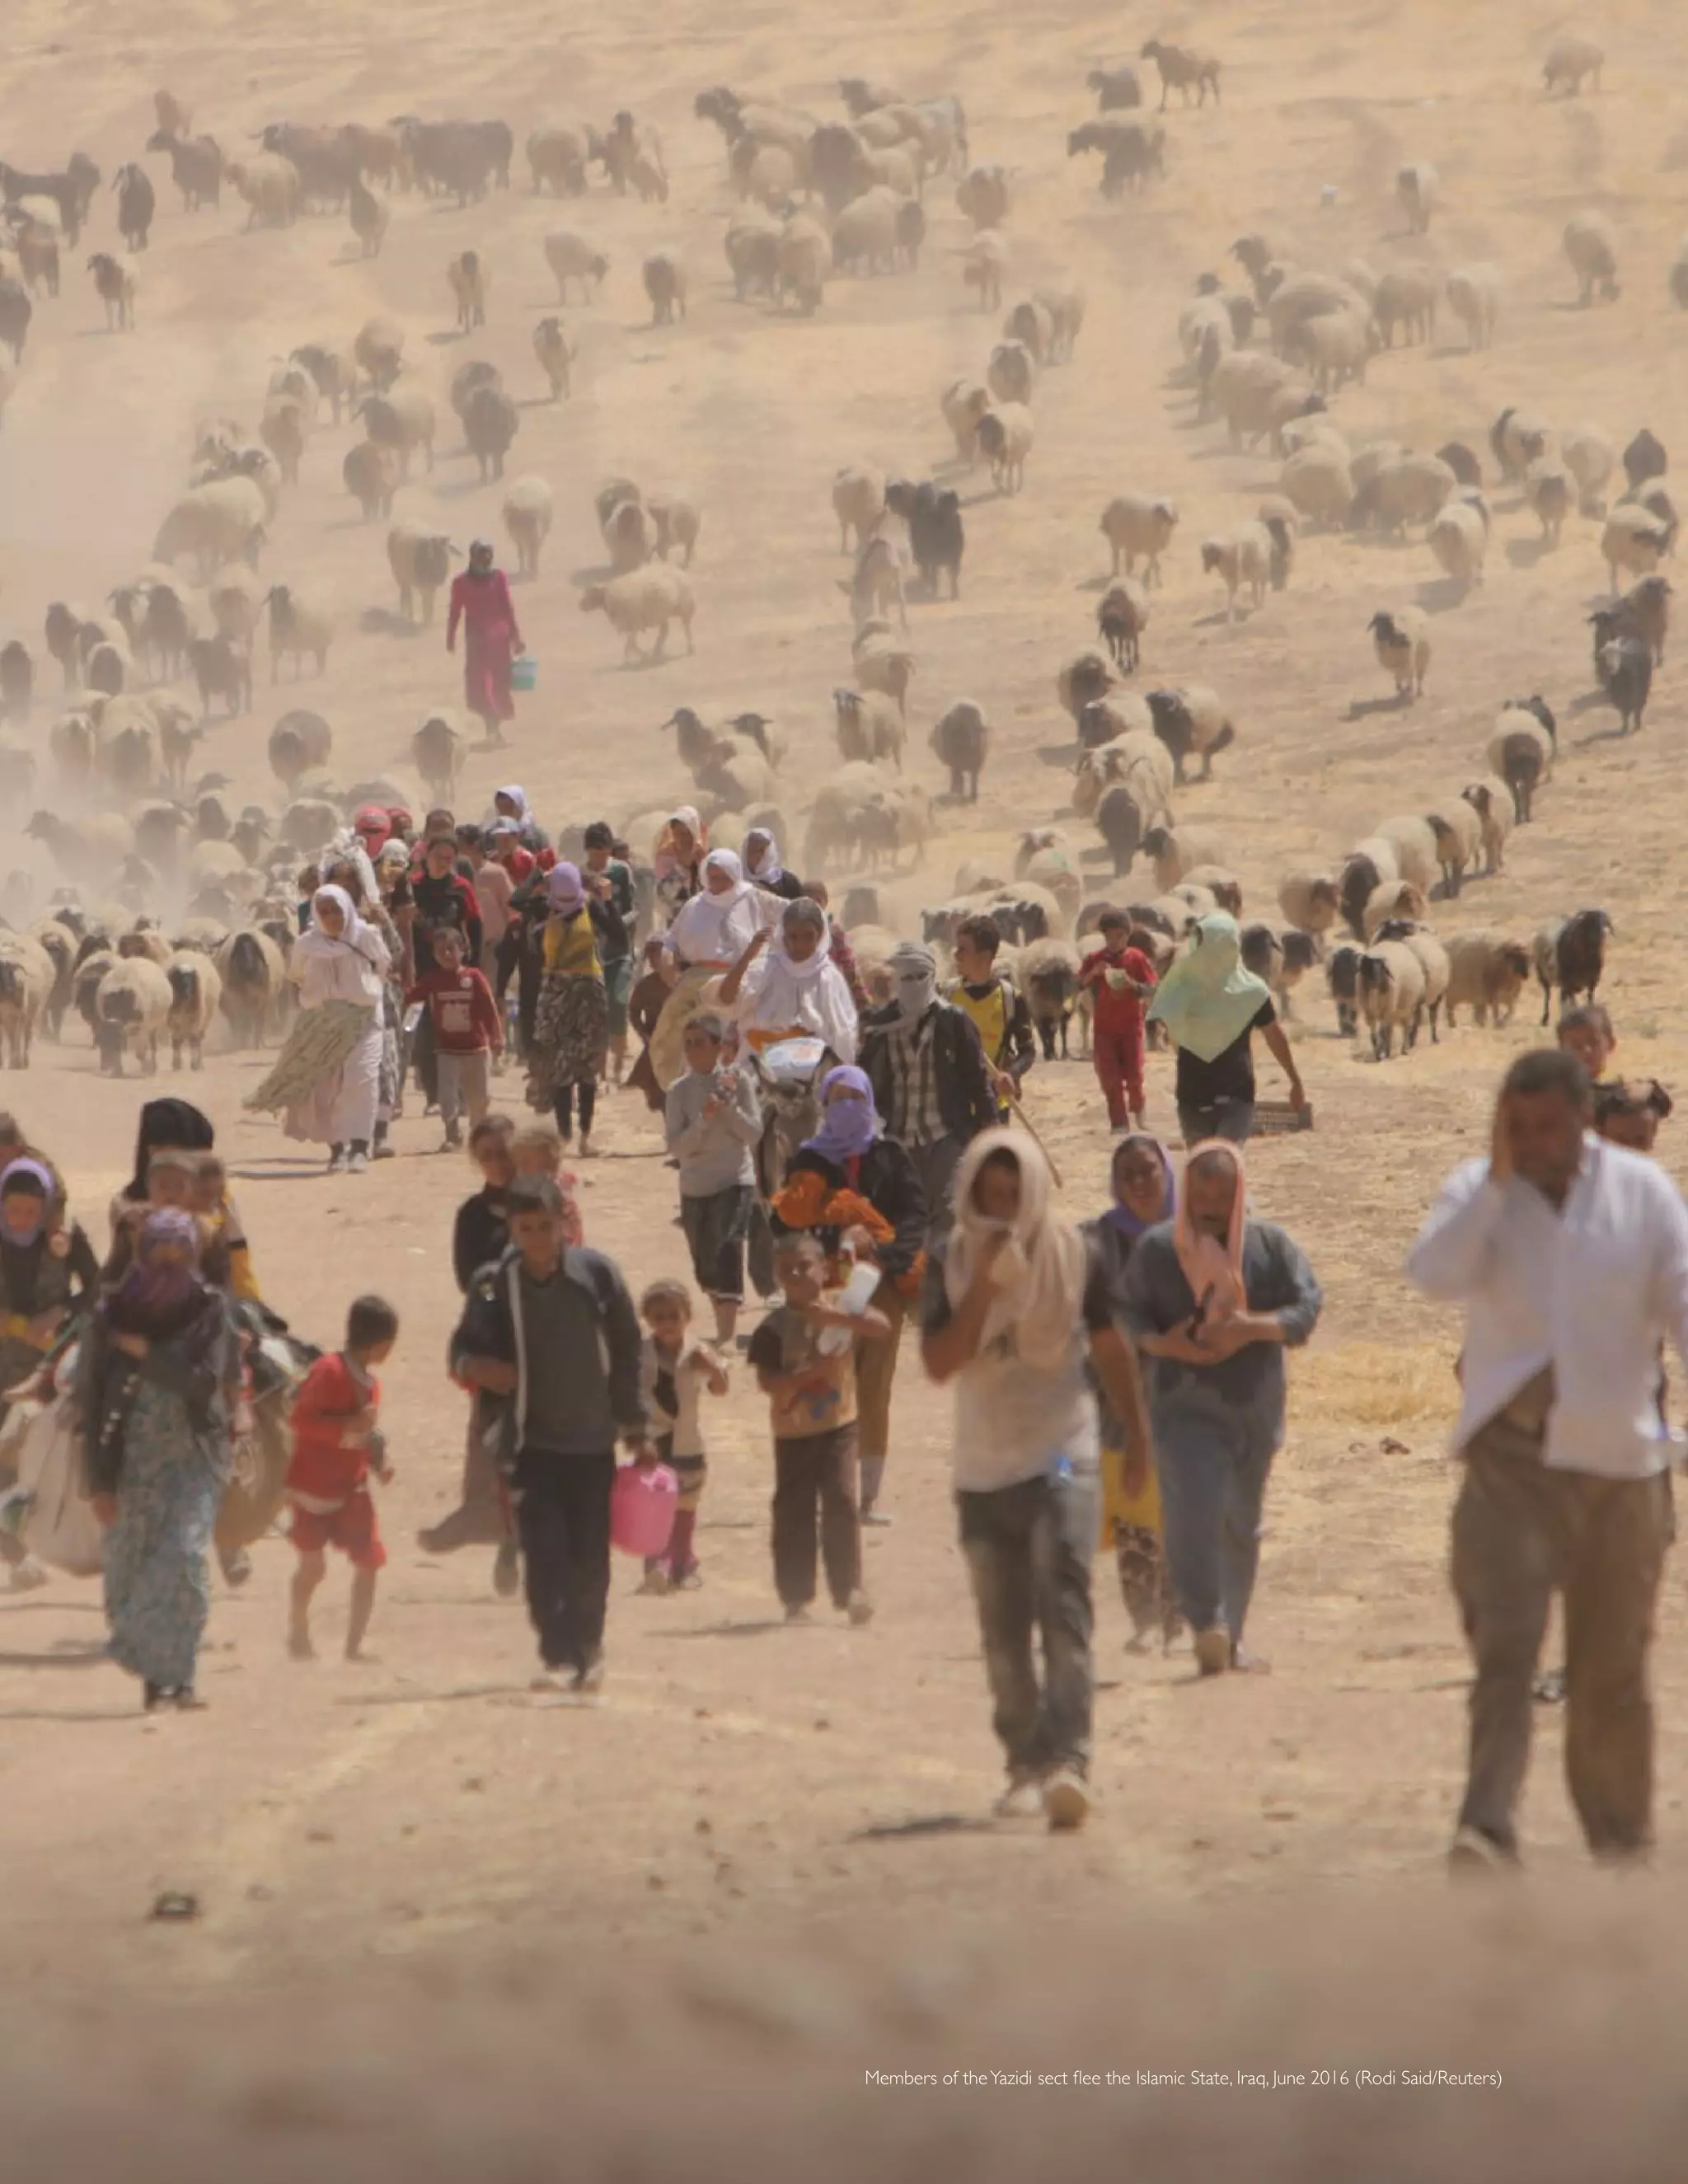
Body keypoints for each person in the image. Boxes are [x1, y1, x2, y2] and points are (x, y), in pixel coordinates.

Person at [1407, 1049, 1688, 1872]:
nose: (1530, 1143)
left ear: (1580, 1121)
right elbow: (1432, 1273)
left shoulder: (1639, 1194)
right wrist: (1494, 1181)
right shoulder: (1475, 1191)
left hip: (1614, 1461)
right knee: (1504, 1646)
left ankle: (1618, 1842)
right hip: (1509, 1463)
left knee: (1609, 1670)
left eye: (1544, 1128)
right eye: (1514, 1127)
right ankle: (1484, 1826)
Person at [921, 1132, 1154, 1830]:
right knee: (1002, 1627)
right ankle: (1023, 1763)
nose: (1003, 1209)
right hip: (985, 1465)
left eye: (1013, 1194)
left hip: (1062, 1456)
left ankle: (1069, 1762)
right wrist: (984, 1292)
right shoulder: (952, 1262)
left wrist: (1138, 1438)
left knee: (1064, 1602)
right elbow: (940, 1363)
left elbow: (1112, 1351)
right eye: (989, 1196)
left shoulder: (1077, 1256)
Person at [1122, 1141, 1324, 1677]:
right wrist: (1169, 1345)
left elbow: (1307, 1308)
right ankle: (1206, 1621)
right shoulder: (1159, 1251)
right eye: (1202, 1193)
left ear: (1239, 1195)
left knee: (1241, 1525)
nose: (1210, 1206)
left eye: (1222, 1194)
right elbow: (1126, 1316)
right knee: (1194, 1513)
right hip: (1183, 1410)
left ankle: (1232, 1638)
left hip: (1254, 1411)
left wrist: (1249, 1330)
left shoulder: (1269, 1247)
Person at [452, 1174, 656, 1695]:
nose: (539, 1239)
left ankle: (590, 1647)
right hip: (531, 1444)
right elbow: (460, 1350)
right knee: (543, 1553)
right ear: (513, 1231)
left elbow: (629, 1349)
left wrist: (635, 1425)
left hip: (592, 1442)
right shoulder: (495, 1285)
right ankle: (557, 1648)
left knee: (590, 1556)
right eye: (526, 1229)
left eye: (547, 1227)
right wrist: (482, 1367)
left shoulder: (597, 1276)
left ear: (564, 1224)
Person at [82, 1210, 238, 1712]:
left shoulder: (209, 1311)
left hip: (192, 1456)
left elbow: (203, 1383)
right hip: (132, 1462)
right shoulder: (111, 1314)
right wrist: (100, 1482)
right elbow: (92, 1397)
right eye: (159, 1255)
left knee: (185, 1560)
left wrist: (148, 1353)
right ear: (142, 1252)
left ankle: (182, 1675)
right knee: (132, 1571)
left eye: (180, 1256)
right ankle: (156, 1681)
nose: (169, 1267)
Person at [772, 1066, 926, 1524]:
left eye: (854, 1098)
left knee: (875, 1390)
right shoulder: (808, 1161)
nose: (846, 1108)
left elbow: (916, 1219)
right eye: (836, 1098)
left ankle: (869, 1498)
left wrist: (878, 1249)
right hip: (826, 1292)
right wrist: (835, 1233)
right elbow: (784, 1222)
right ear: (822, 1103)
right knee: (824, 1385)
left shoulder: (891, 1155)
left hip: (882, 1288)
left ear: (870, 1101)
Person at [747, 1234, 884, 1627]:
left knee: (841, 1499)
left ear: (824, 1268)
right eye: (785, 1268)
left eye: (804, 1265)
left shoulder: (841, 1309)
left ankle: (850, 1589)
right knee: (794, 1509)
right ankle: (795, 1596)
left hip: (840, 1424)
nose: (795, 1274)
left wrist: (838, 1319)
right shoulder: (773, 1328)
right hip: (792, 1432)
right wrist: (812, 1375)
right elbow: (770, 1384)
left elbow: (882, 1326)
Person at [1084, 1134, 1180, 1650]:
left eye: (1149, 1171)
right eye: (1129, 1175)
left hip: (1185, 1395)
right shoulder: (1098, 1240)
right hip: (1120, 1398)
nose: (1141, 1183)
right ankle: (1145, 1620)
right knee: (1135, 1508)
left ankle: (1179, 1620)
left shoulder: (1195, 1236)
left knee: (1183, 1511)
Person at [422, 1118, 521, 1586]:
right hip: (493, 1339)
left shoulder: (543, 1199)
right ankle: (495, 1529)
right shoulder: (473, 1216)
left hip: (543, 1333)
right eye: (488, 1155)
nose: (498, 1163)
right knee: (493, 1438)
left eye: (504, 1152)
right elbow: (469, 1279)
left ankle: (513, 1540)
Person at [0, 1160, 99, 1593]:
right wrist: (21, 1328)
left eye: (29, 1210)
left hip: (56, 1359)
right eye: (12, 1210)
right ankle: (17, 1558)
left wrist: (64, 1313)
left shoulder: (68, 1237)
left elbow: (98, 1289)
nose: (20, 1219)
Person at [285, 1295, 399, 1663]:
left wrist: (378, 1462)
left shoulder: (371, 1384)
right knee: (312, 1569)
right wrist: (345, 1427)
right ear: (379, 1343)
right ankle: (297, 1630)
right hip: (311, 1489)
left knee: (369, 1562)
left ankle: (354, 1646)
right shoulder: (328, 1373)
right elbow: (301, 1421)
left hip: (351, 1487)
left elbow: (365, 1436)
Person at [858, 940, 998, 1236]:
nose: (914, 985)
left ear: (932, 977)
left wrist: (990, 1127)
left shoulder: (954, 1021)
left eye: (920, 976)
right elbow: (866, 1080)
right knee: (903, 1221)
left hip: (944, 1136)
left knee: (948, 1216)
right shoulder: (878, 1026)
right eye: (906, 978)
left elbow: (976, 1079)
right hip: (896, 1139)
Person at [250, 884, 390, 1174]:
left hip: (363, 1017)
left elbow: (382, 965)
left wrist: (358, 990)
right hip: (323, 1019)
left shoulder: (366, 935)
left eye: (336, 910)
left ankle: (361, 1146)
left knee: (361, 1078)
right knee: (327, 1084)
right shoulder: (307, 944)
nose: (331, 917)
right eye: (324, 911)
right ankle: (337, 1148)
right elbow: (297, 975)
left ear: (347, 909)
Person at [1147, 911, 1306, 1147]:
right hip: (1192, 1096)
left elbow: (1273, 1034)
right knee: (1203, 1167)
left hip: (1235, 1096)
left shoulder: (1251, 992)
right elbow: (1166, 1023)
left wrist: (1295, 1081)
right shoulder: (1182, 986)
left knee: (1223, 1161)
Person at [665, 1014, 762, 1346]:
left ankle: (726, 1335)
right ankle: (719, 1312)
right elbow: (678, 1148)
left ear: (719, 1047)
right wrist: (704, 1121)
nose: (692, 1051)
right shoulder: (678, 1092)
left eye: (699, 1043)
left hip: (734, 1179)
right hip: (695, 1186)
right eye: (688, 1044)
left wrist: (729, 1110)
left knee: (729, 1246)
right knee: (705, 1264)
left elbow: (753, 1134)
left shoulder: (740, 1082)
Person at [637, 1279, 728, 1592]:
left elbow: (721, 1389)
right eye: (659, 1317)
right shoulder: (641, 1355)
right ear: (647, 1319)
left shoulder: (698, 1351)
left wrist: (712, 1369)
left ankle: (683, 1562)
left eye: (673, 1316)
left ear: (687, 1316)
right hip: (653, 1439)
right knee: (654, 1503)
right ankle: (656, 1563)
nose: (667, 1324)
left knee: (685, 1505)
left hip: (687, 1440)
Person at [525, 864, 609, 1155]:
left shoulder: (591, 908)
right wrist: (540, 878)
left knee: (586, 1071)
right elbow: (518, 898)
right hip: (560, 996)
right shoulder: (541, 911)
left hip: (587, 996)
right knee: (561, 1071)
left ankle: (585, 1136)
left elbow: (615, 929)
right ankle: (564, 1136)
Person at [716, 896, 860, 1062]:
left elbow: (844, 1031)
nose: (799, 945)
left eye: (808, 936)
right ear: (783, 935)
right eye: (793, 936)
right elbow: (726, 999)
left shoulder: (828, 976)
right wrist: (749, 955)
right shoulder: (767, 967)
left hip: (811, 1068)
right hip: (758, 1060)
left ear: (819, 935)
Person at [408, 923, 504, 1149]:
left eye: (452, 949)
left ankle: (477, 1134)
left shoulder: (474, 977)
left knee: (480, 1097)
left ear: (462, 950)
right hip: (447, 1049)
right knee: (447, 1096)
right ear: (434, 955)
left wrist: (497, 1037)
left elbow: (489, 1009)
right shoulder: (433, 980)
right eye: (441, 951)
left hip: (476, 1049)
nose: (447, 954)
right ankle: (452, 1134)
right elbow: (411, 997)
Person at [945, 914, 1035, 1115]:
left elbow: (1027, 1051)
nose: (956, 955)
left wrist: (1011, 1074)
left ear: (985, 957)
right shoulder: (946, 995)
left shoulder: (1011, 998)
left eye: (963, 950)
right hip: (955, 1106)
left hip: (996, 1104)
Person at [1080, 912, 1159, 1132]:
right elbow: (1077, 985)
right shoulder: (1095, 959)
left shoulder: (1136, 958)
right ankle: (1119, 1123)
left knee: (1134, 1075)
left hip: (1130, 1027)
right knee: (1110, 1079)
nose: (1115, 942)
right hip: (1104, 1029)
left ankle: (1139, 1109)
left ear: (1127, 935)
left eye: (1120, 936)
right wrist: (1094, 973)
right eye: (1109, 937)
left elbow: (1151, 987)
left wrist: (1131, 984)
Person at [446, 541, 525, 747]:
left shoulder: (499, 578)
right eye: (482, 558)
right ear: (473, 558)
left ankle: (494, 731)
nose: (485, 563)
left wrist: (516, 637)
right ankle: (493, 729)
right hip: (477, 641)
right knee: (480, 686)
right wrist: (450, 638)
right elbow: (455, 611)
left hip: (498, 639)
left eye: (488, 558)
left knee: (499, 685)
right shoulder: (460, 583)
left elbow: (508, 608)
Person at [583, 822, 636, 1082]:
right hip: (591, 954)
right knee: (598, 1012)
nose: (600, 858)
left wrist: (617, 925)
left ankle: (618, 1064)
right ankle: (601, 1070)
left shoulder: (621, 872)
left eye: (604, 852)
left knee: (618, 1003)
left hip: (619, 951)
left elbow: (633, 908)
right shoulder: (581, 876)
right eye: (595, 852)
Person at [626, 937, 675, 1114]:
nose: (655, 962)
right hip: (655, 1041)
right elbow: (633, 1012)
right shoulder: (645, 986)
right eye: (651, 957)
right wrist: (644, 1035)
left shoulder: (681, 981)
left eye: (658, 956)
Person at [653, 807, 706, 928]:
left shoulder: (702, 856)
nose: (684, 839)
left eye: (688, 833)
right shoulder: (665, 856)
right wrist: (682, 868)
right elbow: (663, 894)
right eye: (679, 834)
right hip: (674, 922)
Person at [1558, 1002, 1616, 1087]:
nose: (1586, 1050)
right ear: (1562, 1050)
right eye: (1577, 1046)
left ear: (1610, 1044)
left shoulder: (1620, 1095)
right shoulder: (1555, 1095)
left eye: (1593, 1043)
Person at [742, 826, 804, 903]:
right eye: (752, 850)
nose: (756, 855)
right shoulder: (735, 880)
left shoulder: (787, 881)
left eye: (761, 850)